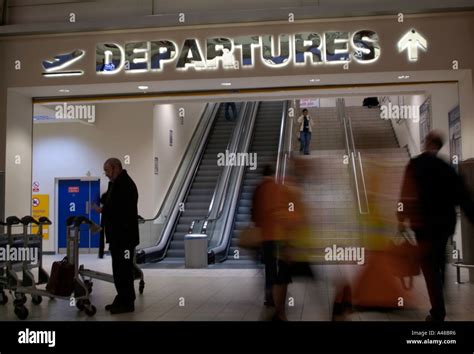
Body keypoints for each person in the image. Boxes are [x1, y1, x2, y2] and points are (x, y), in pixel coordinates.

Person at [398, 131, 474, 321]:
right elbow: (463, 195)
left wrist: (401, 217)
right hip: (444, 225)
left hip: (424, 225)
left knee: (430, 267)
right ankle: (441, 299)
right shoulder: (446, 167)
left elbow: (406, 193)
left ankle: (438, 310)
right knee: (439, 260)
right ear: (439, 146)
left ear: (426, 143)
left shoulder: (415, 164)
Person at [102, 158, 140, 314]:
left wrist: (104, 210)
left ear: (116, 168)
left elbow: (120, 210)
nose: (105, 173)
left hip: (124, 238)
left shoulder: (125, 185)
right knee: (118, 270)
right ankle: (121, 298)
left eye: (107, 170)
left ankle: (127, 302)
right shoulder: (117, 184)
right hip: (118, 238)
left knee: (124, 269)